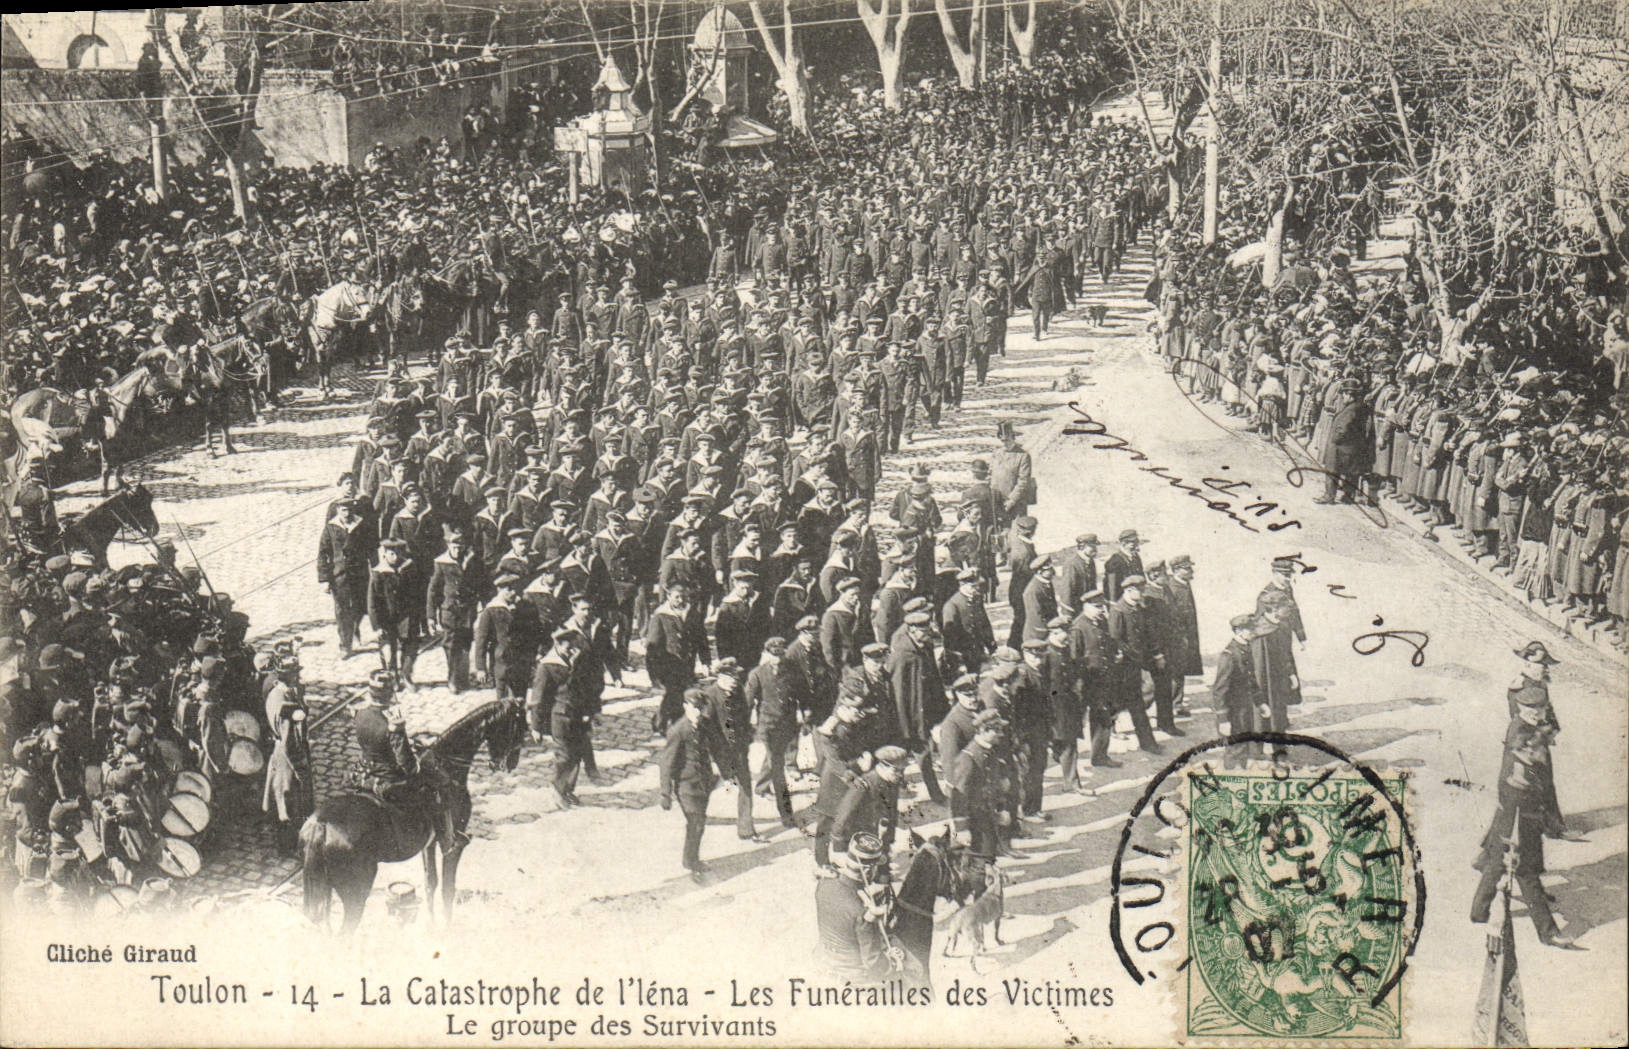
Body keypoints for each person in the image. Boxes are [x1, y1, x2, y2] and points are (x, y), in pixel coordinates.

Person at [659, 687, 733, 880]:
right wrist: (665, 793)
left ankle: (690, 858)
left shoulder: (706, 725)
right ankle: (692, 861)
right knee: (696, 822)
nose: (698, 712)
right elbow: (666, 763)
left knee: (699, 823)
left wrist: (727, 775)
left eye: (700, 708)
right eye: (694, 708)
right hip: (686, 785)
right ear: (685, 707)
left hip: (704, 782)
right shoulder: (678, 730)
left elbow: (718, 750)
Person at [814, 831, 899, 982]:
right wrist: (892, 962)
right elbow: (872, 962)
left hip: (823, 962)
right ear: (867, 870)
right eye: (875, 868)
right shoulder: (863, 911)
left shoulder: (823, 884)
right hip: (853, 976)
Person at [261, 650, 312, 856]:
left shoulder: (279, 691)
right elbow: (289, 737)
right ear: (286, 676)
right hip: (286, 756)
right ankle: (288, 846)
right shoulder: (284, 703)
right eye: (295, 674)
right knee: (288, 800)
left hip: (280, 750)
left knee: (284, 797)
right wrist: (300, 765)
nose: (298, 677)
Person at [830, 745, 905, 859]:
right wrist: (839, 846)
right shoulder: (864, 784)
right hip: (860, 840)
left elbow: (892, 812)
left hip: (878, 838)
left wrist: (889, 838)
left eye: (902, 770)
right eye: (896, 770)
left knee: (882, 871)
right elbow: (844, 813)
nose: (900, 774)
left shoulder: (893, 782)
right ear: (883, 766)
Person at [1212, 614, 1268, 767]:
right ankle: (1231, 779)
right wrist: (1223, 719)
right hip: (1233, 712)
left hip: (1244, 709)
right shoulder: (1229, 655)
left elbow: (1250, 680)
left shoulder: (1245, 648)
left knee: (1243, 746)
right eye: (1250, 629)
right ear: (1239, 631)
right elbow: (1219, 690)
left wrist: (1260, 703)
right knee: (1235, 749)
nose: (1254, 632)